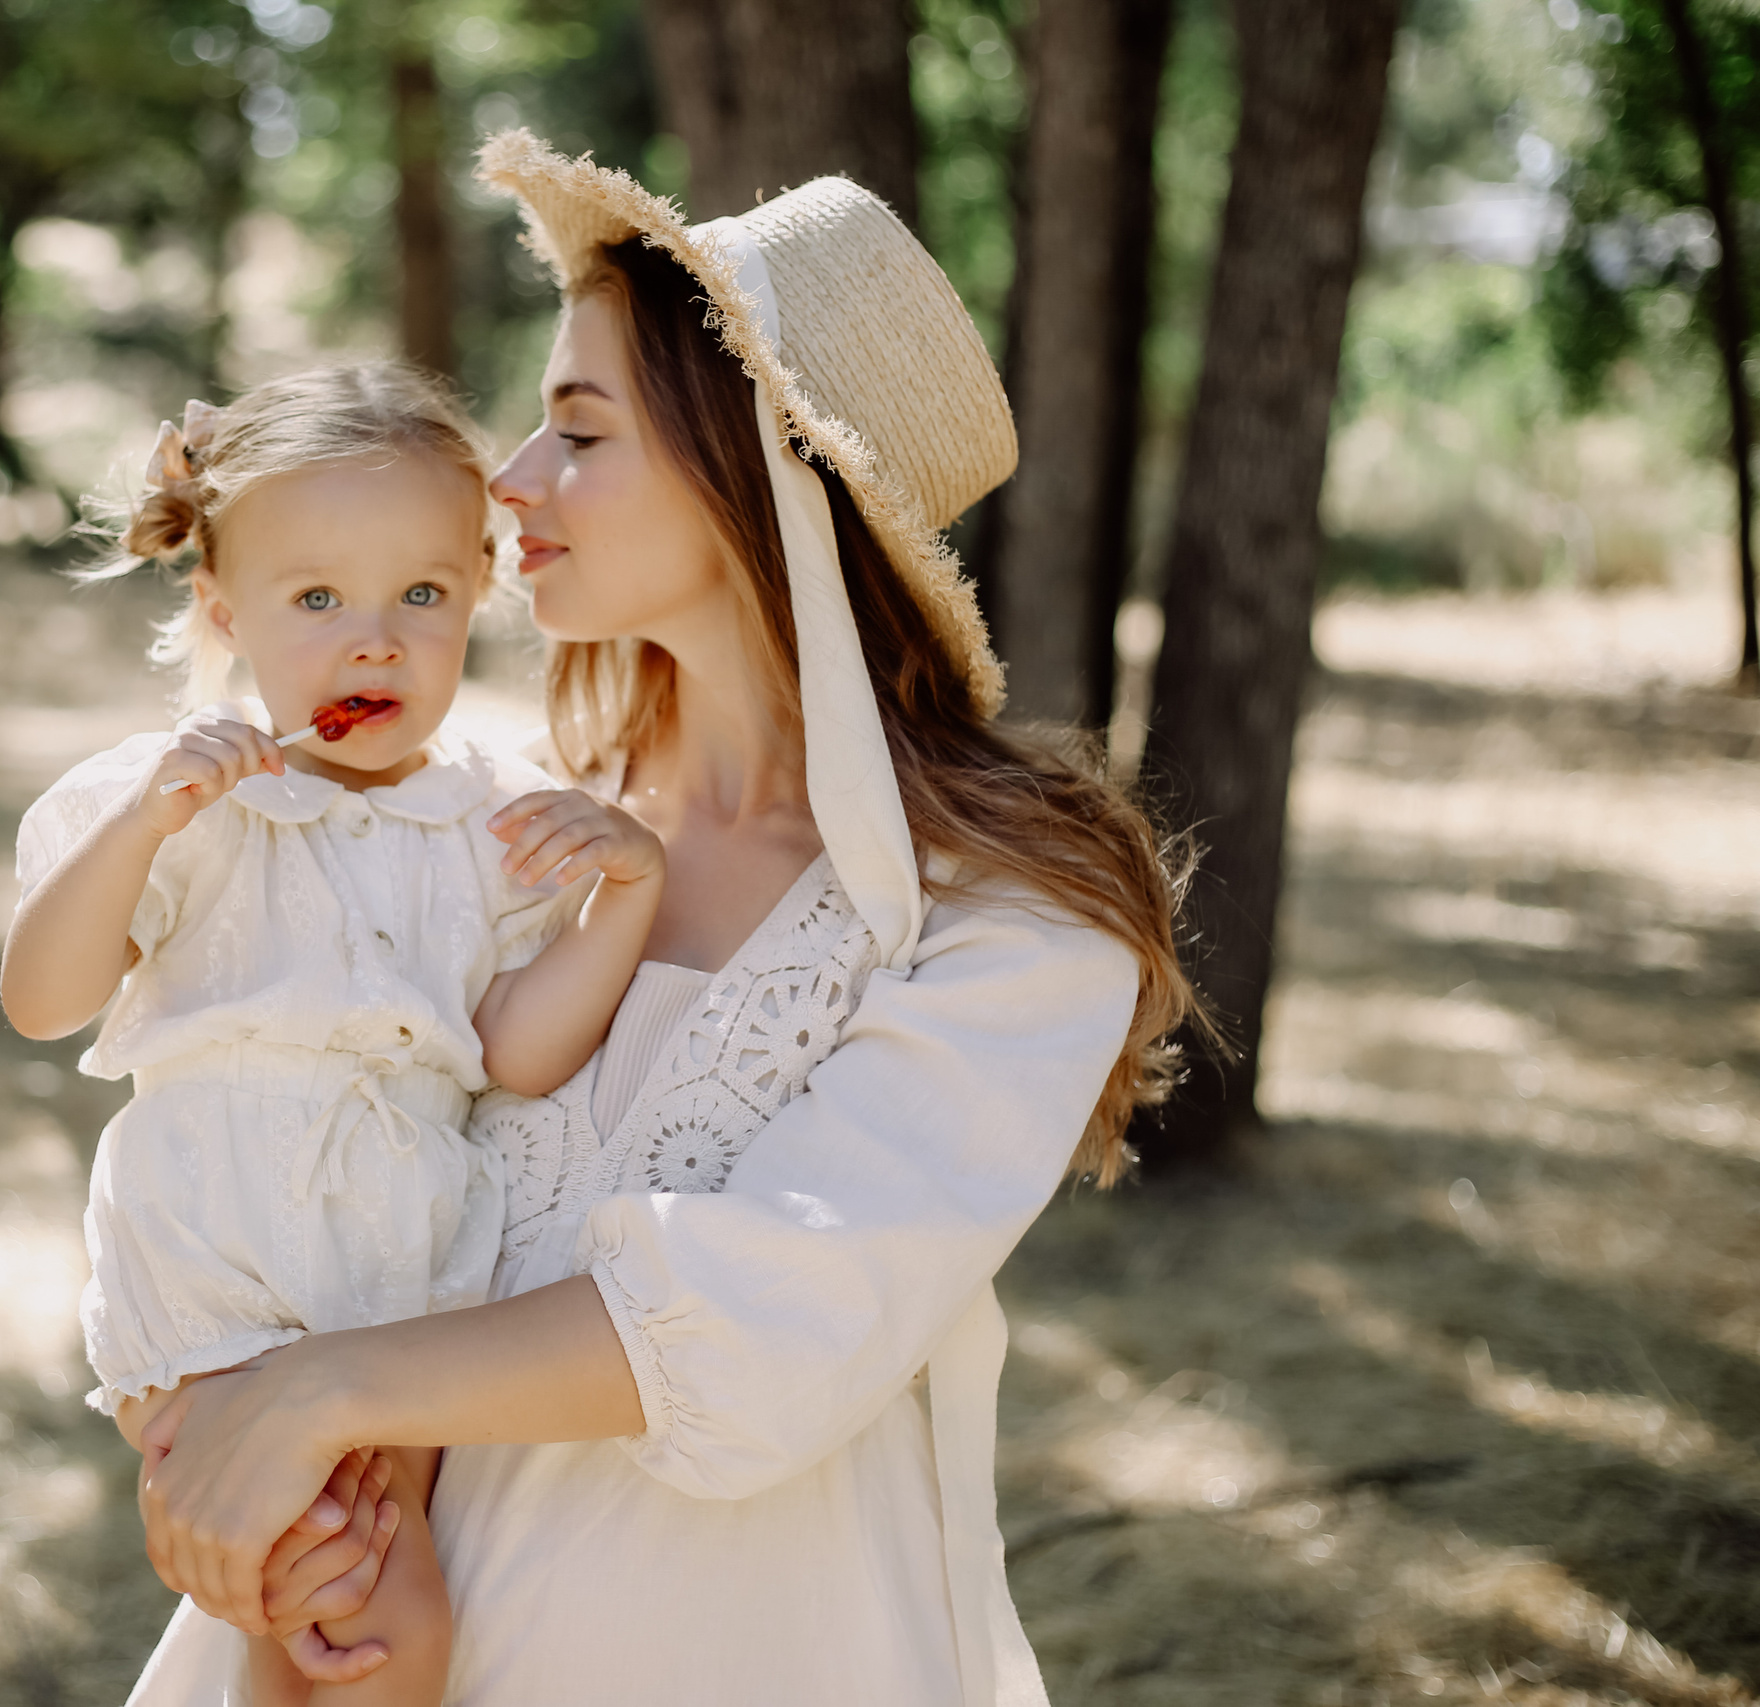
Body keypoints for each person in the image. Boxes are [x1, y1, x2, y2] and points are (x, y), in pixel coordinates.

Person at [120, 132, 1204, 1706]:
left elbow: (783, 1311)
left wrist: (309, 1395)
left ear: (759, 469)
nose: (510, 482)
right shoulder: (501, 823)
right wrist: (265, 1495)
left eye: (579, 429)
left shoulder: (1013, 919)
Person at [0, 361, 669, 1707]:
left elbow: (517, 1054)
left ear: (477, 595)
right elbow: (42, 998)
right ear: (222, 608)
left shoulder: (493, 817)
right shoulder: (191, 801)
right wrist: (146, 825)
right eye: (318, 600)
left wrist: (625, 898)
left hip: (400, 1297)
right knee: (379, 1628)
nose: (376, 642)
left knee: (316, 1638)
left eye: (419, 596)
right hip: (222, 1281)